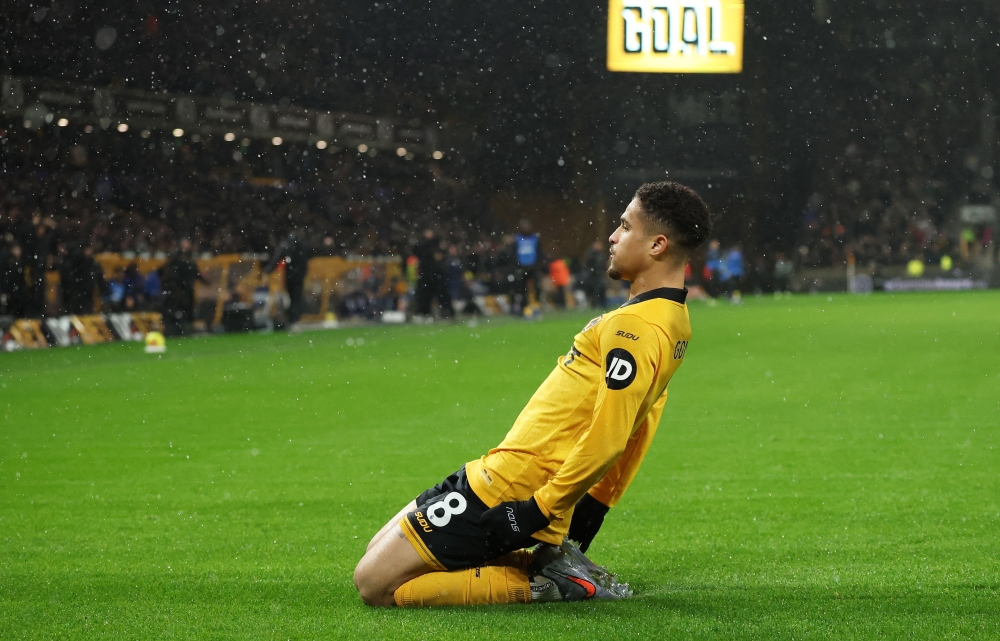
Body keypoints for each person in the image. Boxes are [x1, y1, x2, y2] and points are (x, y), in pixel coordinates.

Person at [353, 181, 711, 607]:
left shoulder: (635, 329)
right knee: (379, 550)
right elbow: (648, 414)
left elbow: (612, 434)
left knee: (373, 584)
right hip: (507, 470)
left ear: (657, 245)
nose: (612, 237)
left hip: (516, 484)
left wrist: (539, 510)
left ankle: (545, 584)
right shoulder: (672, 318)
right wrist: (598, 501)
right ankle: (552, 563)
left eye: (624, 226)